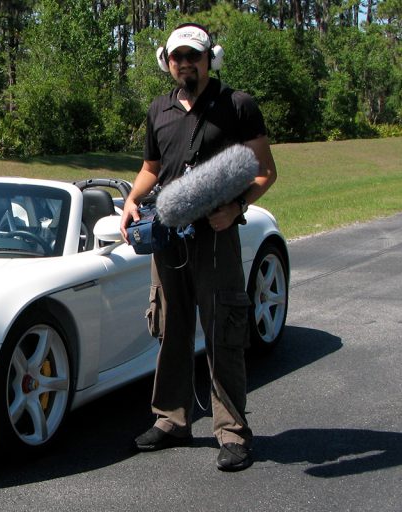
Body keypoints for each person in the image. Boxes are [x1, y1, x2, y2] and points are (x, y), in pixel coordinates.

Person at [121, 23, 277, 472]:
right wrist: (133, 199)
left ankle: (231, 432)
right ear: (166, 62)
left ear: (211, 58)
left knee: (222, 329)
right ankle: (171, 420)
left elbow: (264, 170)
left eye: (194, 56)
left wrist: (237, 208)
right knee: (171, 326)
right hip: (168, 234)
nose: (185, 63)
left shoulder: (238, 106)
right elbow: (152, 167)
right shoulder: (160, 109)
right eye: (177, 57)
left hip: (215, 233)